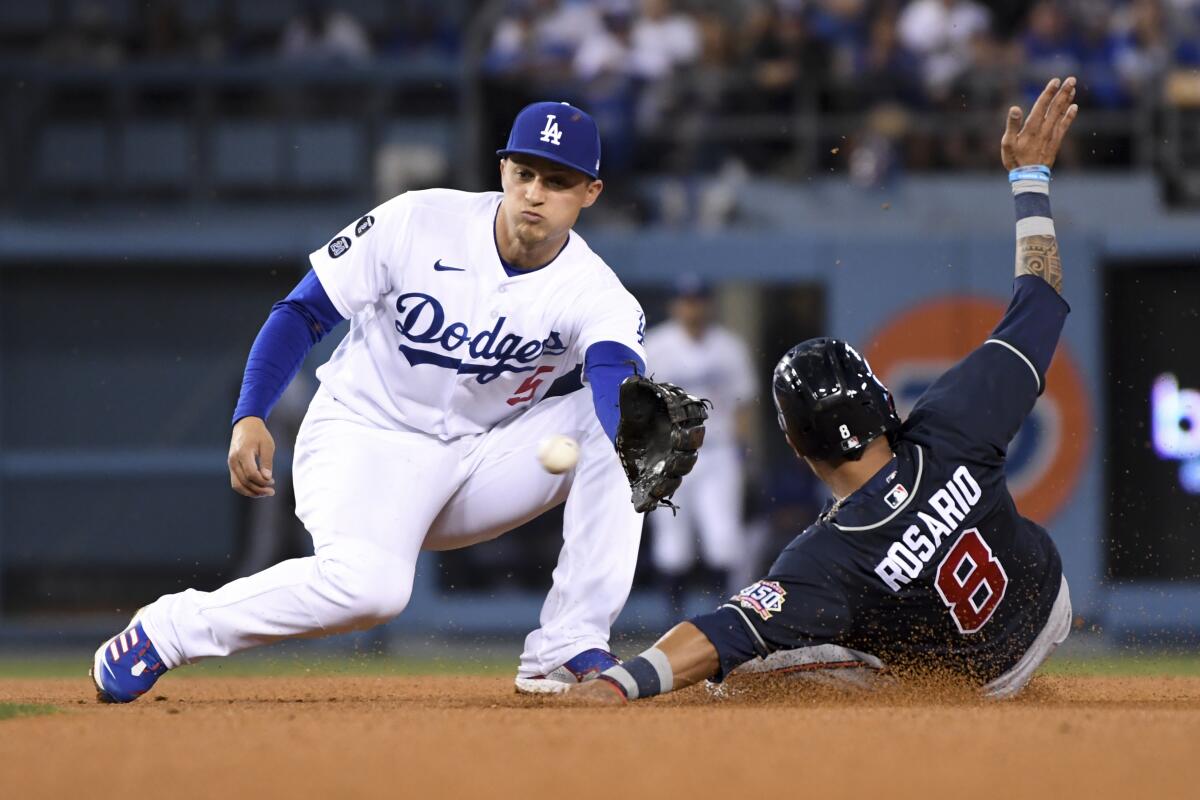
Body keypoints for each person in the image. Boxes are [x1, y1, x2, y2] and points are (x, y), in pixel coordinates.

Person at [91, 101, 702, 702]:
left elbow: (612, 369)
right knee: (371, 593)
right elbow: (302, 312)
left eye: (557, 181)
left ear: (590, 193)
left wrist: (632, 427)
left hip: (474, 460)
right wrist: (250, 411)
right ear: (503, 172)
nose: (535, 193)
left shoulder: (596, 292)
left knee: (633, 425)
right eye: (524, 173)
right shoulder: (418, 220)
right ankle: (169, 629)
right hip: (361, 435)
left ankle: (566, 647)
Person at [565, 76, 1081, 704]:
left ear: (798, 444)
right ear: (883, 403)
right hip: (1047, 602)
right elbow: (1040, 296)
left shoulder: (828, 558)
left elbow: (718, 632)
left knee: (743, 675)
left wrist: (619, 683)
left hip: (981, 683)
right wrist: (1030, 179)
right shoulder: (953, 423)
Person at [643, 275, 756, 611]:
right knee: (672, 546)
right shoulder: (656, 344)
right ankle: (674, 624)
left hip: (717, 450)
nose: (692, 307)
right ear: (674, 305)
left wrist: (742, 448)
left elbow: (744, 401)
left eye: (698, 299)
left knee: (723, 541)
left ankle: (723, 617)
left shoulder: (729, 346)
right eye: (686, 300)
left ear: (708, 303)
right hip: (669, 452)